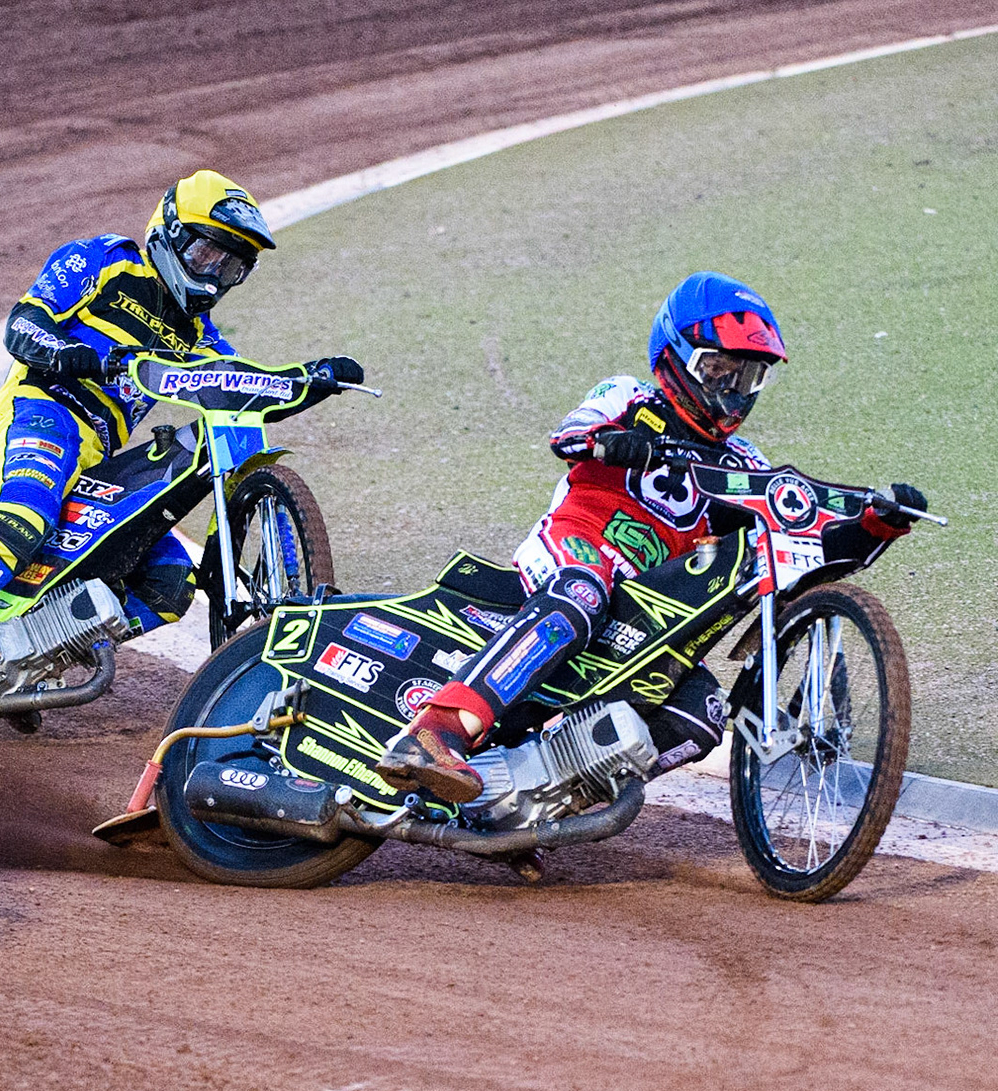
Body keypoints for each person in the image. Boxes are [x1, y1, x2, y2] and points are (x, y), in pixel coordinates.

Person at [376, 271, 927, 804]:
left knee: (702, 714)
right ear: (675, 355)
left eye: (747, 377)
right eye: (718, 369)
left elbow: (799, 545)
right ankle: (436, 731)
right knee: (581, 592)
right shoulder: (629, 396)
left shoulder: (744, 464)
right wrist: (617, 442)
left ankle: (529, 800)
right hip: (574, 550)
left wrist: (876, 524)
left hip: (644, 609)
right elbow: (567, 435)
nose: (731, 390)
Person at [0, 169, 363, 678]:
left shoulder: (201, 337)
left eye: (231, 266)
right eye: (206, 254)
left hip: (100, 457)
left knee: (170, 581)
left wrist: (312, 379)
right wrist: (72, 355)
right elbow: (23, 326)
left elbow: (242, 388)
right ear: (171, 234)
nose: (214, 275)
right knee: (26, 513)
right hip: (41, 408)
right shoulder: (104, 260)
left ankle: (22, 659)